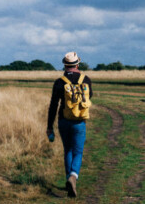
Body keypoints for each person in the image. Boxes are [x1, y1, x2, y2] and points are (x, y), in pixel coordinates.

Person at [47, 52, 93, 197]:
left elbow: (53, 105)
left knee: (68, 150)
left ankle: (69, 180)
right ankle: (73, 176)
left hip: (63, 120)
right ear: (77, 64)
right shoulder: (86, 79)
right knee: (78, 152)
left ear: (65, 65)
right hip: (80, 121)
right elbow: (89, 96)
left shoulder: (59, 82)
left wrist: (49, 126)